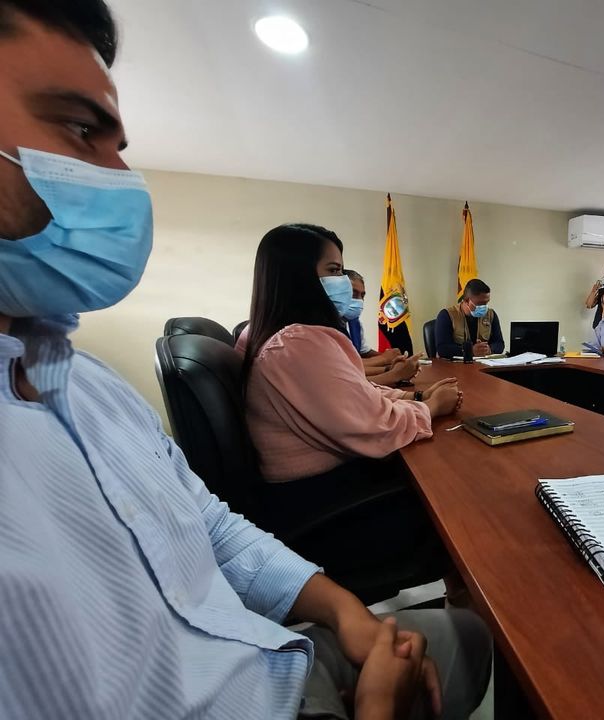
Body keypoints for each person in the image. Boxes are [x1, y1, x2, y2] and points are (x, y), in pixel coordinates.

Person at [0, 3, 490, 719]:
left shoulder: (88, 382)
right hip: (307, 572)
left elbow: (209, 526)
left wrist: (343, 612)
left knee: (468, 635)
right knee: (470, 517)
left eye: (116, 144)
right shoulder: (300, 341)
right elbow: (367, 423)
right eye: (79, 129)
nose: (121, 175)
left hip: (266, 651)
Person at [241, 224, 464, 482]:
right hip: (324, 488)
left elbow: (355, 392)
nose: (344, 282)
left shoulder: (272, 334)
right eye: (334, 270)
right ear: (298, 275)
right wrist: (432, 406)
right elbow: (377, 428)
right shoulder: (296, 344)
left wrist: (415, 395)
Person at [343, 268, 419, 387]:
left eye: (362, 295)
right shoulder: (326, 325)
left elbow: (365, 352)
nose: (359, 300)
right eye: (354, 294)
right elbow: (346, 365)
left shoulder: (354, 322)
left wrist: (392, 359)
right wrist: (385, 361)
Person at [435, 278, 505, 359]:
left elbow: (500, 343)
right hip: (456, 364)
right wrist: (470, 350)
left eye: (486, 303)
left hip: (483, 362)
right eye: (480, 303)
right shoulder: (447, 315)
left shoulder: (491, 315)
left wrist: (489, 349)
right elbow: (442, 348)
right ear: (466, 301)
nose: (484, 307)